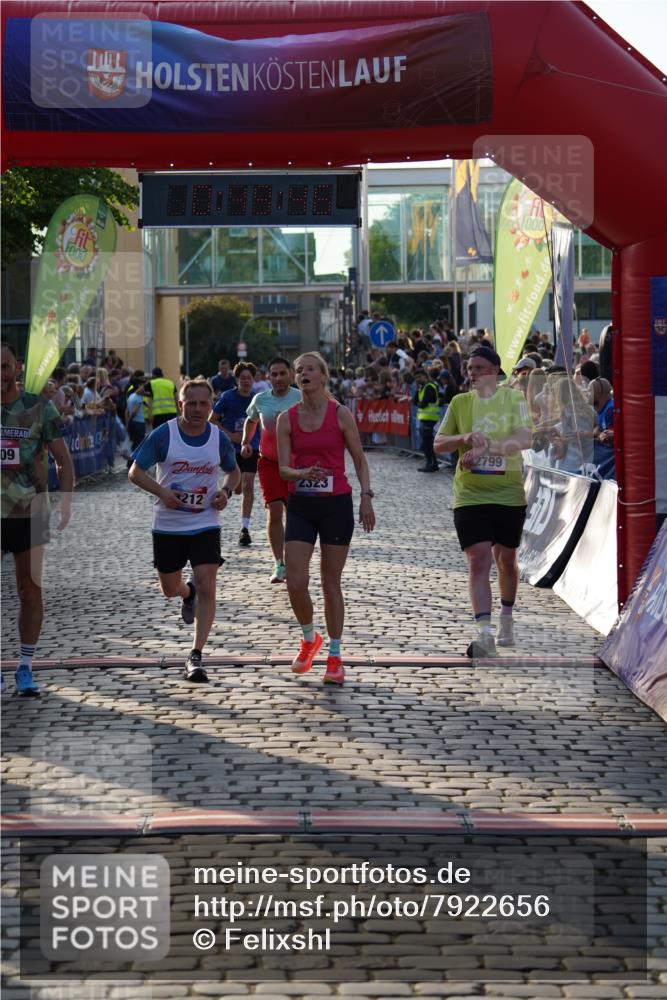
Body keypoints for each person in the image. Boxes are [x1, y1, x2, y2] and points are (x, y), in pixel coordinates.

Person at [128, 378, 240, 683]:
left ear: (211, 406)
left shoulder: (218, 438)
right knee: (169, 588)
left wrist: (226, 493)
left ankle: (196, 654)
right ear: (180, 404)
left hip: (205, 522)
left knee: (208, 584)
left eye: (204, 404)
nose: (197, 409)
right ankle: (185, 593)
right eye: (191, 403)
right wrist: (162, 492)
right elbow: (135, 471)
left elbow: (234, 471)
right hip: (168, 525)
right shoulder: (164, 435)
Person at [277, 351, 375, 686]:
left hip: (336, 504)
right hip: (302, 504)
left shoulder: (341, 414)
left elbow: (359, 458)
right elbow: (283, 469)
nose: (303, 373)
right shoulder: (286, 419)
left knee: (330, 583)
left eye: (310, 369)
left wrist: (366, 497)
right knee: (295, 580)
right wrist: (302, 472)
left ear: (323, 376)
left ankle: (334, 655)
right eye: (298, 369)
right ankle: (309, 638)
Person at [434, 346, 532, 657]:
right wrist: (462, 439)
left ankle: (506, 617)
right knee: (478, 559)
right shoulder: (460, 403)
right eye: (469, 367)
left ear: (493, 370)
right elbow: (437, 443)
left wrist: (487, 448)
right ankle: (485, 633)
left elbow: (525, 439)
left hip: (508, 494)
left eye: (478, 367)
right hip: (470, 495)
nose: (471, 373)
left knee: (506, 560)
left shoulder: (513, 399)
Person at [1, 342, 74, 697]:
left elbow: (63, 458)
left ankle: (25, 668)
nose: (0, 374)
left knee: (29, 592)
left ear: (17, 369)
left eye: (4, 366)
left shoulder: (38, 408)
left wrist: (66, 500)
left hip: (30, 514)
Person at [240, 357, 301, 583]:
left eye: (282, 374)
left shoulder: (301, 398)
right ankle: (279, 563)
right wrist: (246, 442)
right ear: (268, 377)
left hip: (296, 463)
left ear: (291, 375)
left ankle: (296, 560)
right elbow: (251, 420)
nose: (278, 379)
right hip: (269, 462)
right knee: (274, 510)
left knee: (294, 514)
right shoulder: (260, 399)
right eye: (273, 374)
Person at [211, 361, 260, 546]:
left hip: (252, 447)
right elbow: (212, 420)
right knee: (238, 487)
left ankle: (244, 528)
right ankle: (233, 488)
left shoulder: (258, 399)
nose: (246, 381)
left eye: (249, 378)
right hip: (231, 448)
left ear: (253, 380)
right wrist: (231, 434)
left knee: (248, 485)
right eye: (242, 378)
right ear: (237, 380)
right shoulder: (227, 398)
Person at [413, 367, 441, 472]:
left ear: (425, 376)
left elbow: (423, 404)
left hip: (430, 419)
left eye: (420, 377)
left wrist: (420, 404)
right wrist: (416, 389)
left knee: (427, 443)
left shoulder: (429, 387)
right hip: (425, 419)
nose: (418, 379)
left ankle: (431, 464)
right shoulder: (422, 387)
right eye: (416, 378)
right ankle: (432, 463)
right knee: (426, 443)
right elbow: (416, 402)